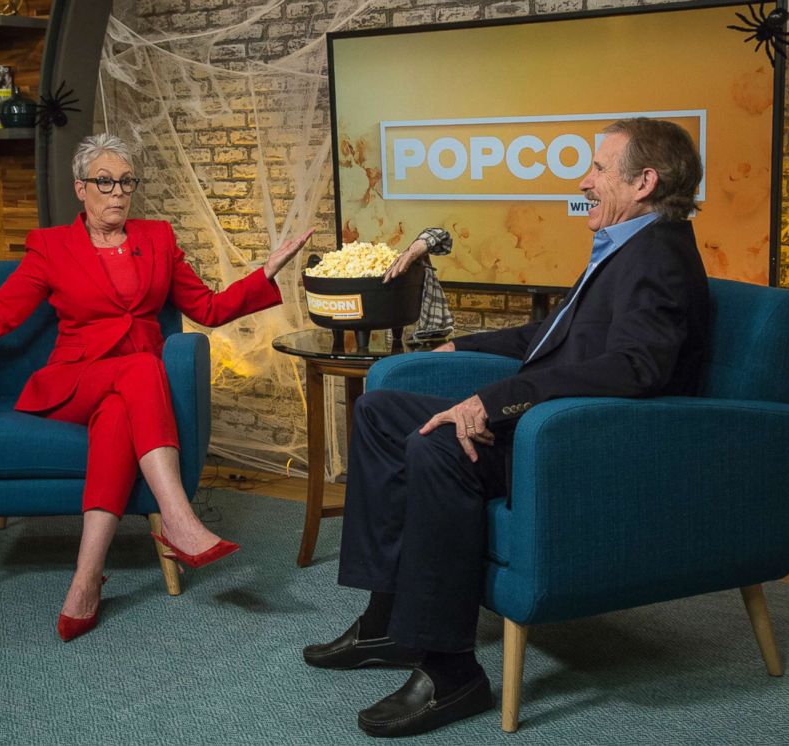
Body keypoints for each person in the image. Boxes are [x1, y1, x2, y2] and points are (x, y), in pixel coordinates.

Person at [302, 118, 710, 738]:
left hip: (586, 445)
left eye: (599, 168)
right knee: (381, 413)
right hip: (553, 421)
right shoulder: (630, 243)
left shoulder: (659, 257)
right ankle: (387, 618)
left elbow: (636, 367)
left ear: (645, 182)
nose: (585, 179)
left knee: (443, 444)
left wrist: (494, 402)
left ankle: (450, 670)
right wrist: (458, 346)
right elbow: (550, 339)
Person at [0, 133, 314, 642]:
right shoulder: (49, 247)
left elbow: (206, 309)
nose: (117, 193)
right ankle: (179, 520)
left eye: (125, 182)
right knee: (143, 367)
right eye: (104, 182)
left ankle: (85, 580)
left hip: (129, 394)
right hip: (73, 382)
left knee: (125, 404)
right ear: (80, 188)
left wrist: (265, 271)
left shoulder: (158, 239)